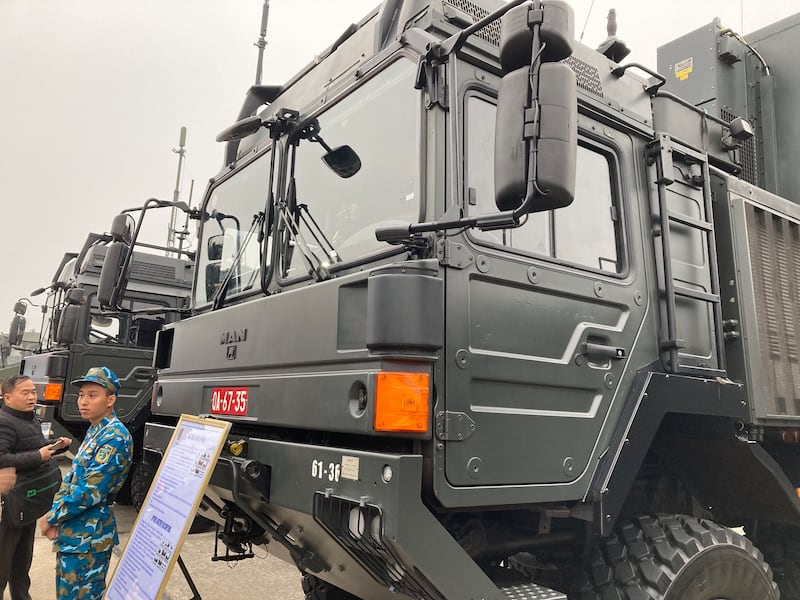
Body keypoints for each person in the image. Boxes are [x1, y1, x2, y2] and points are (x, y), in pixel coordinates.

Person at [40, 367, 132, 600]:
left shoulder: (115, 436)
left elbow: (91, 490)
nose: (83, 401)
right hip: (74, 535)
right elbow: (72, 478)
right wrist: (56, 514)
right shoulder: (95, 430)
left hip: (90, 539)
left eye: (92, 395)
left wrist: (52, 517)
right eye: (82, 395)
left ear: (110, 400)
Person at [0, 375, 70, 600]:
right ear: (7, 397)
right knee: (2, 565)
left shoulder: (31, 419)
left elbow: (34, 448)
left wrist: (54, 447)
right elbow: (2, 458)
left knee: (22, 563)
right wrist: (37, 456)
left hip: (28, 505)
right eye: (25, 392)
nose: (32, 396)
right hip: (10, 507)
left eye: (33, 391)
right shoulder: (4, 422)